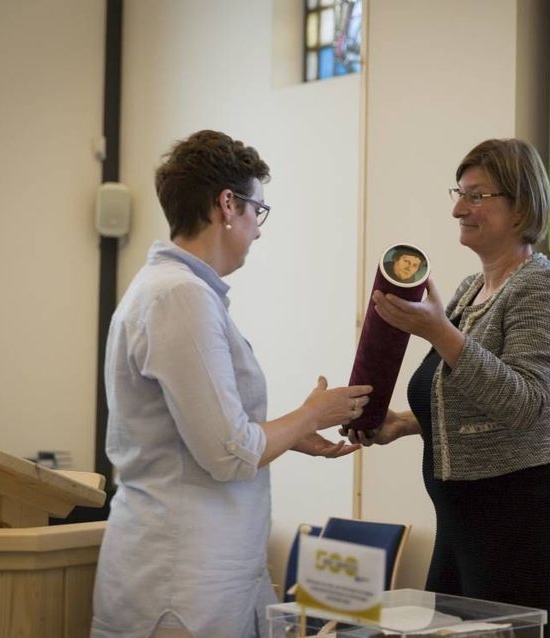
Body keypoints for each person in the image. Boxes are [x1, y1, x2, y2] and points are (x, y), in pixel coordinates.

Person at [92, 130, 372, 638]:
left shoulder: (177, 291)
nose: (258, 231)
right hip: (182, 576)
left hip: (208, 565)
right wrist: (314, 413)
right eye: (257, 212)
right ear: (227, 204)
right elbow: (228, 452)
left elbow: (212, 433)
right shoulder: (179, 296)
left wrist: (286, 434)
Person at [343, 138, 550, 636]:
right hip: (463, 520)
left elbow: (524, 404)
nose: (458, 208)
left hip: (519, 520)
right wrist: (403, 425)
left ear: (520, 207)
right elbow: (463, 395)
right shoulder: (471, 291)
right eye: (459, 193)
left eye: (476, 196)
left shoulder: (544, 286)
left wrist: (438, 332)